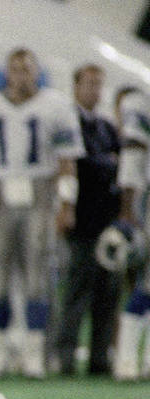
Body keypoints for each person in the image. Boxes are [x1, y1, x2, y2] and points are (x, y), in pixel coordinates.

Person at [0, 48, 83, 379]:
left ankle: (34, 352)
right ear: (7, 72)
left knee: (38, 276)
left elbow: (67, 162)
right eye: (15, 69)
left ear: (36, 72)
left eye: (27, 69)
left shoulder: (56, 105)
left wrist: (66, 204)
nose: (21, 75)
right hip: (2, 194)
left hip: (40, 192)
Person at [52, 65, 122, 376]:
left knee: (108, 295)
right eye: (89, 83)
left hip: (109, 222)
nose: (94, 90)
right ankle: (64, 358)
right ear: (76, 86)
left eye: (99, 84)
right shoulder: (69, 123)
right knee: (76, 293)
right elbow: (85, 166)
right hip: (81, 222)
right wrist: (107, 163)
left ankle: (99, 359)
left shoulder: (107, 128)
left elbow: (123, 167)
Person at [107, 87, 150, 381]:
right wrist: (127, 209)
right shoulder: (141, 101)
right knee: (145, 283)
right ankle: (125, 359)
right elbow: (133, 154)